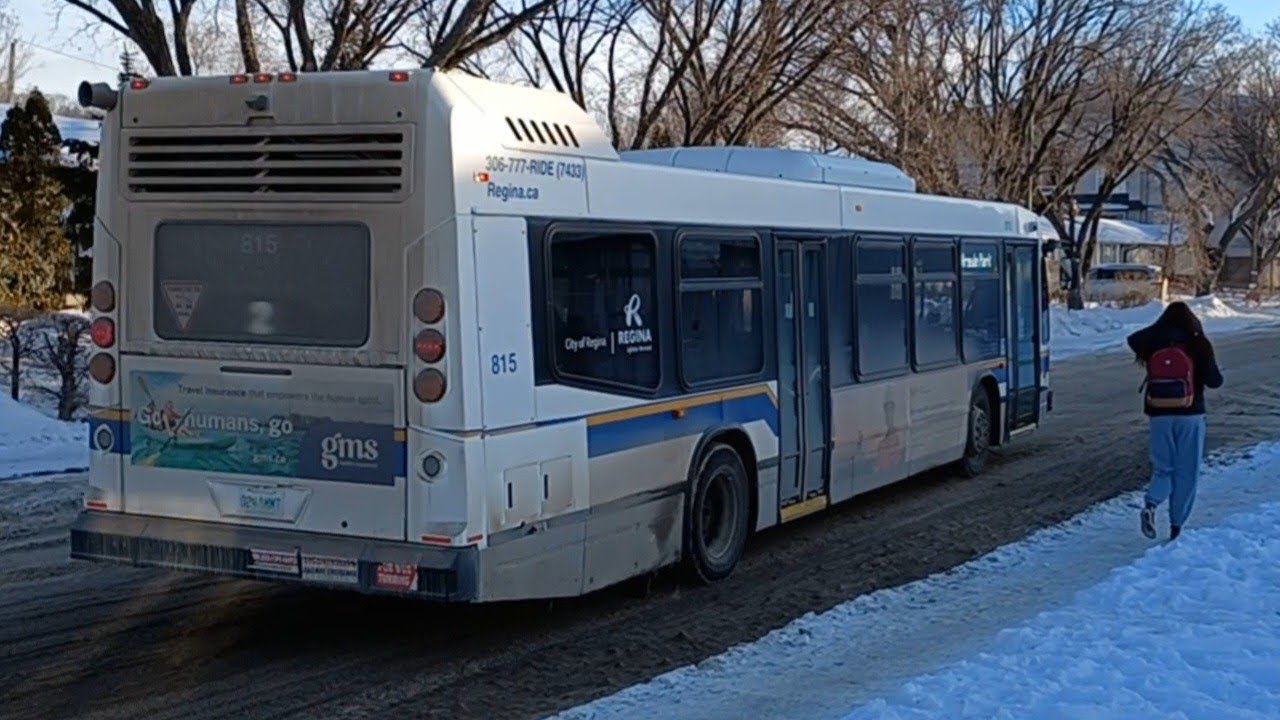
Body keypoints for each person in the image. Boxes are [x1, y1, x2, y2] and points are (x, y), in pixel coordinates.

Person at [1126, 302, 1223, 541]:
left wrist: (1159, 331)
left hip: (1159, 414)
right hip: (1191, 414)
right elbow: (1215, 381)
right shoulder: (1198, 343)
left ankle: (1151, 504)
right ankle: (1176, 527)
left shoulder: (1152, 341)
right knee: (1186, 472)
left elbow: (1133, 339)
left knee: (1164, 468)